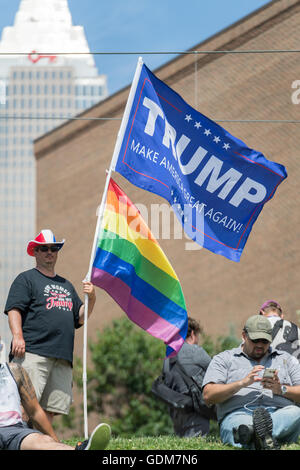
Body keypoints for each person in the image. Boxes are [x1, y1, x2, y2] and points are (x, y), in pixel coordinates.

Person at [4, 229, 96, 423]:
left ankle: (41, 443)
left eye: (54, 248)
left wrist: (91, 298)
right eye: (44, 248)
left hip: (62, 356)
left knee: (50, 411)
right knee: (25, 405)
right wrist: (17, 335)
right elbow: (14, 309)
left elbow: (80, 318)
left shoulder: (67, 285)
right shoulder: (26, 279)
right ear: (35, 252)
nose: (49, 252)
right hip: (33, 352)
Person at [202, 315, 300, 450]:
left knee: (295, 413)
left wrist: (281, 389)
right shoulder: (224, 359)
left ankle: (255, 435)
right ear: (244, 336)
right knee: (241, 425)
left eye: (265, 341)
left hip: (279, 415)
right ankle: (265, 438)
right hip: (239, 415)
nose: (260, 345)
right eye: (255, 340)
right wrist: (241, 383)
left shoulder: (286, 359)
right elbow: (208, 395)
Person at [0, 360, 111, 450]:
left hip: (15, 431)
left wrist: (57, 443)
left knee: (43, 440)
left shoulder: (15, 371)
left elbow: (35, 411)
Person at [162, 317, 214, 437]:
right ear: (192, 333)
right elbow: (216, 372)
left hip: (176, 413)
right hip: (195, 412)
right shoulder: (195, 351)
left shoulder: (168, 358)